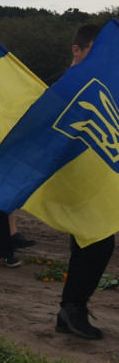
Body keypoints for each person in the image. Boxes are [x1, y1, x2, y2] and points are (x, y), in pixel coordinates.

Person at [57, 24, 116, 339]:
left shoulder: (99, 85)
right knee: (100, 242)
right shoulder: (65, 86)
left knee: (85, 246)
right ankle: (73, 308)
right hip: (75, 183)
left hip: (94, 182)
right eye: (91, 53)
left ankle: (68, 310)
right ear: (76, 50)